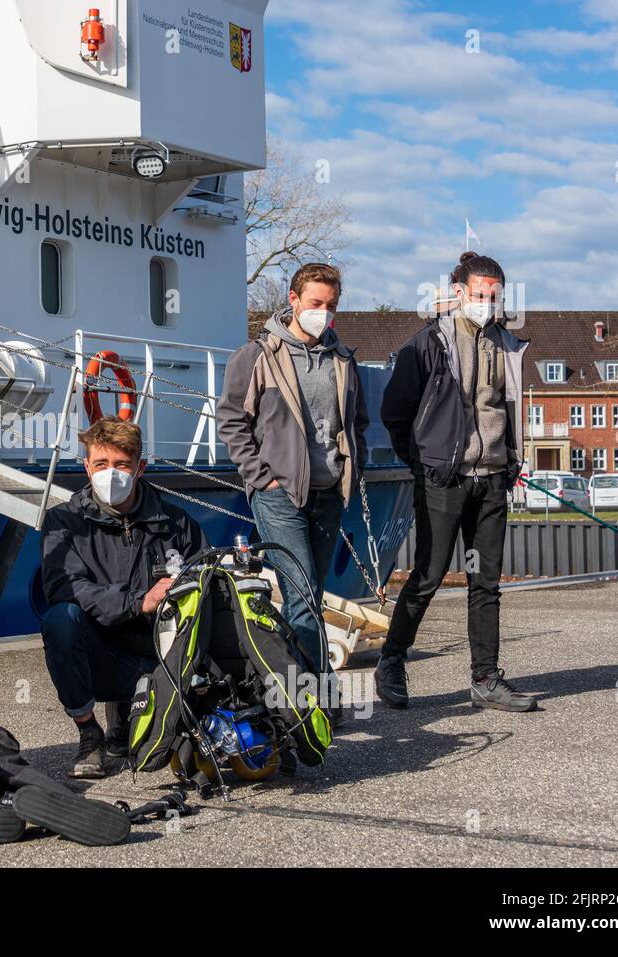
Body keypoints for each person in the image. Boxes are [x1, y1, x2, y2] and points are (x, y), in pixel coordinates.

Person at [377, 251, 534, 712]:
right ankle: (390, 662)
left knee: (485, 581)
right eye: (479, 293)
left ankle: (485, 678)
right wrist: (425, 460)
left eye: (494, 295)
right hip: (444, 478)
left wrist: (509, 462)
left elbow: (506, 407)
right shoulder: (429, 343)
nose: (487, 302)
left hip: (493, 477)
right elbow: (395, 411)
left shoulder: (507, 344)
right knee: (427, 574)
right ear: (459, 292)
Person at [217, 263, 369, 701]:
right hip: (279, 494)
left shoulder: (342, 358)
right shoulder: (258, 355)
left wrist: (350, 467)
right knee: (301, 595)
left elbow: (357, 421)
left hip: (328, 492)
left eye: (332, 305)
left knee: (312, 595)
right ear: (294, 300)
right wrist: (260, 478)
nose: (323, 313)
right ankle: (320, 697)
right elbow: (231, 420)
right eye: (316, 303)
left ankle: (288, 686)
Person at [39, 418, 207, 779]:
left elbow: (206, 587)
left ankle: (127, 719)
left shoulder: (177, 524)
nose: (110, 474)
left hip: (161, 659)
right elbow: (64, 588)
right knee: (60, 620)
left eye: (121, 465)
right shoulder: (62, 522)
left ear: (140, 468)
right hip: (102, 657)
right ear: (86, 466)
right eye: (100, 464)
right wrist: (137, 601)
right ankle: (89, 733)